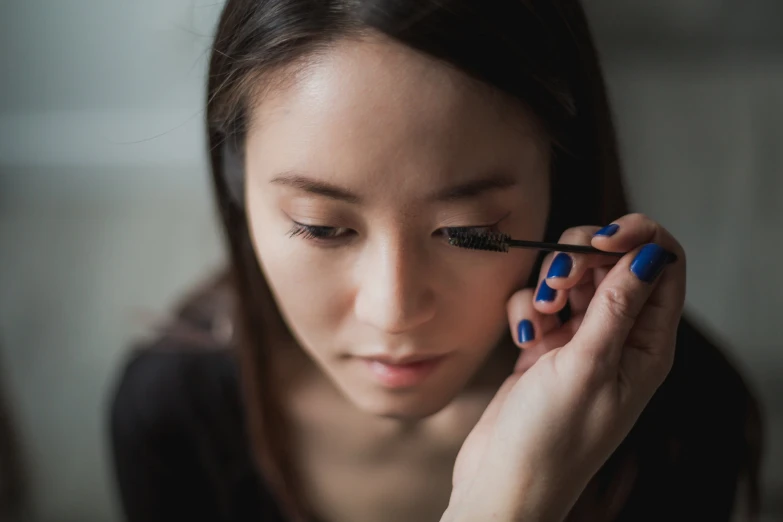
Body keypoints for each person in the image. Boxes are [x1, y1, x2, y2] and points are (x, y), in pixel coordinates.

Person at [109, 1, 764, 521]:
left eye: (467, 231)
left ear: (556, 182)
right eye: (322, 228)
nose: (394, 312)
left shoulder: (683, 420)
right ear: (236, 189)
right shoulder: (171, 414)